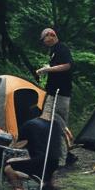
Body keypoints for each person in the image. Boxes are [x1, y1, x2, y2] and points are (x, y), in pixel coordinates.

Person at [35, 27, 78, 166]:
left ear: (51, 35)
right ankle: (59, 155)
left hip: (61, 93)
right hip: (53, 92)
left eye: (44, 39)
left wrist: (48, 69)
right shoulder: (54, 50)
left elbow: (68, 65)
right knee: (48, 122)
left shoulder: (62, 48)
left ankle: (63, 158)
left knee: (58, 124)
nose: (44, 42)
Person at [3, 114, 65, 190]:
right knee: (45, 161)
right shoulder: (55, 124)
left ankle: (19, 188)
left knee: (8, 167)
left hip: (39, 162)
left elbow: (21, 143)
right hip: (54, 162)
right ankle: (49, 184)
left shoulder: (29, 125)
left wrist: (11, 146)